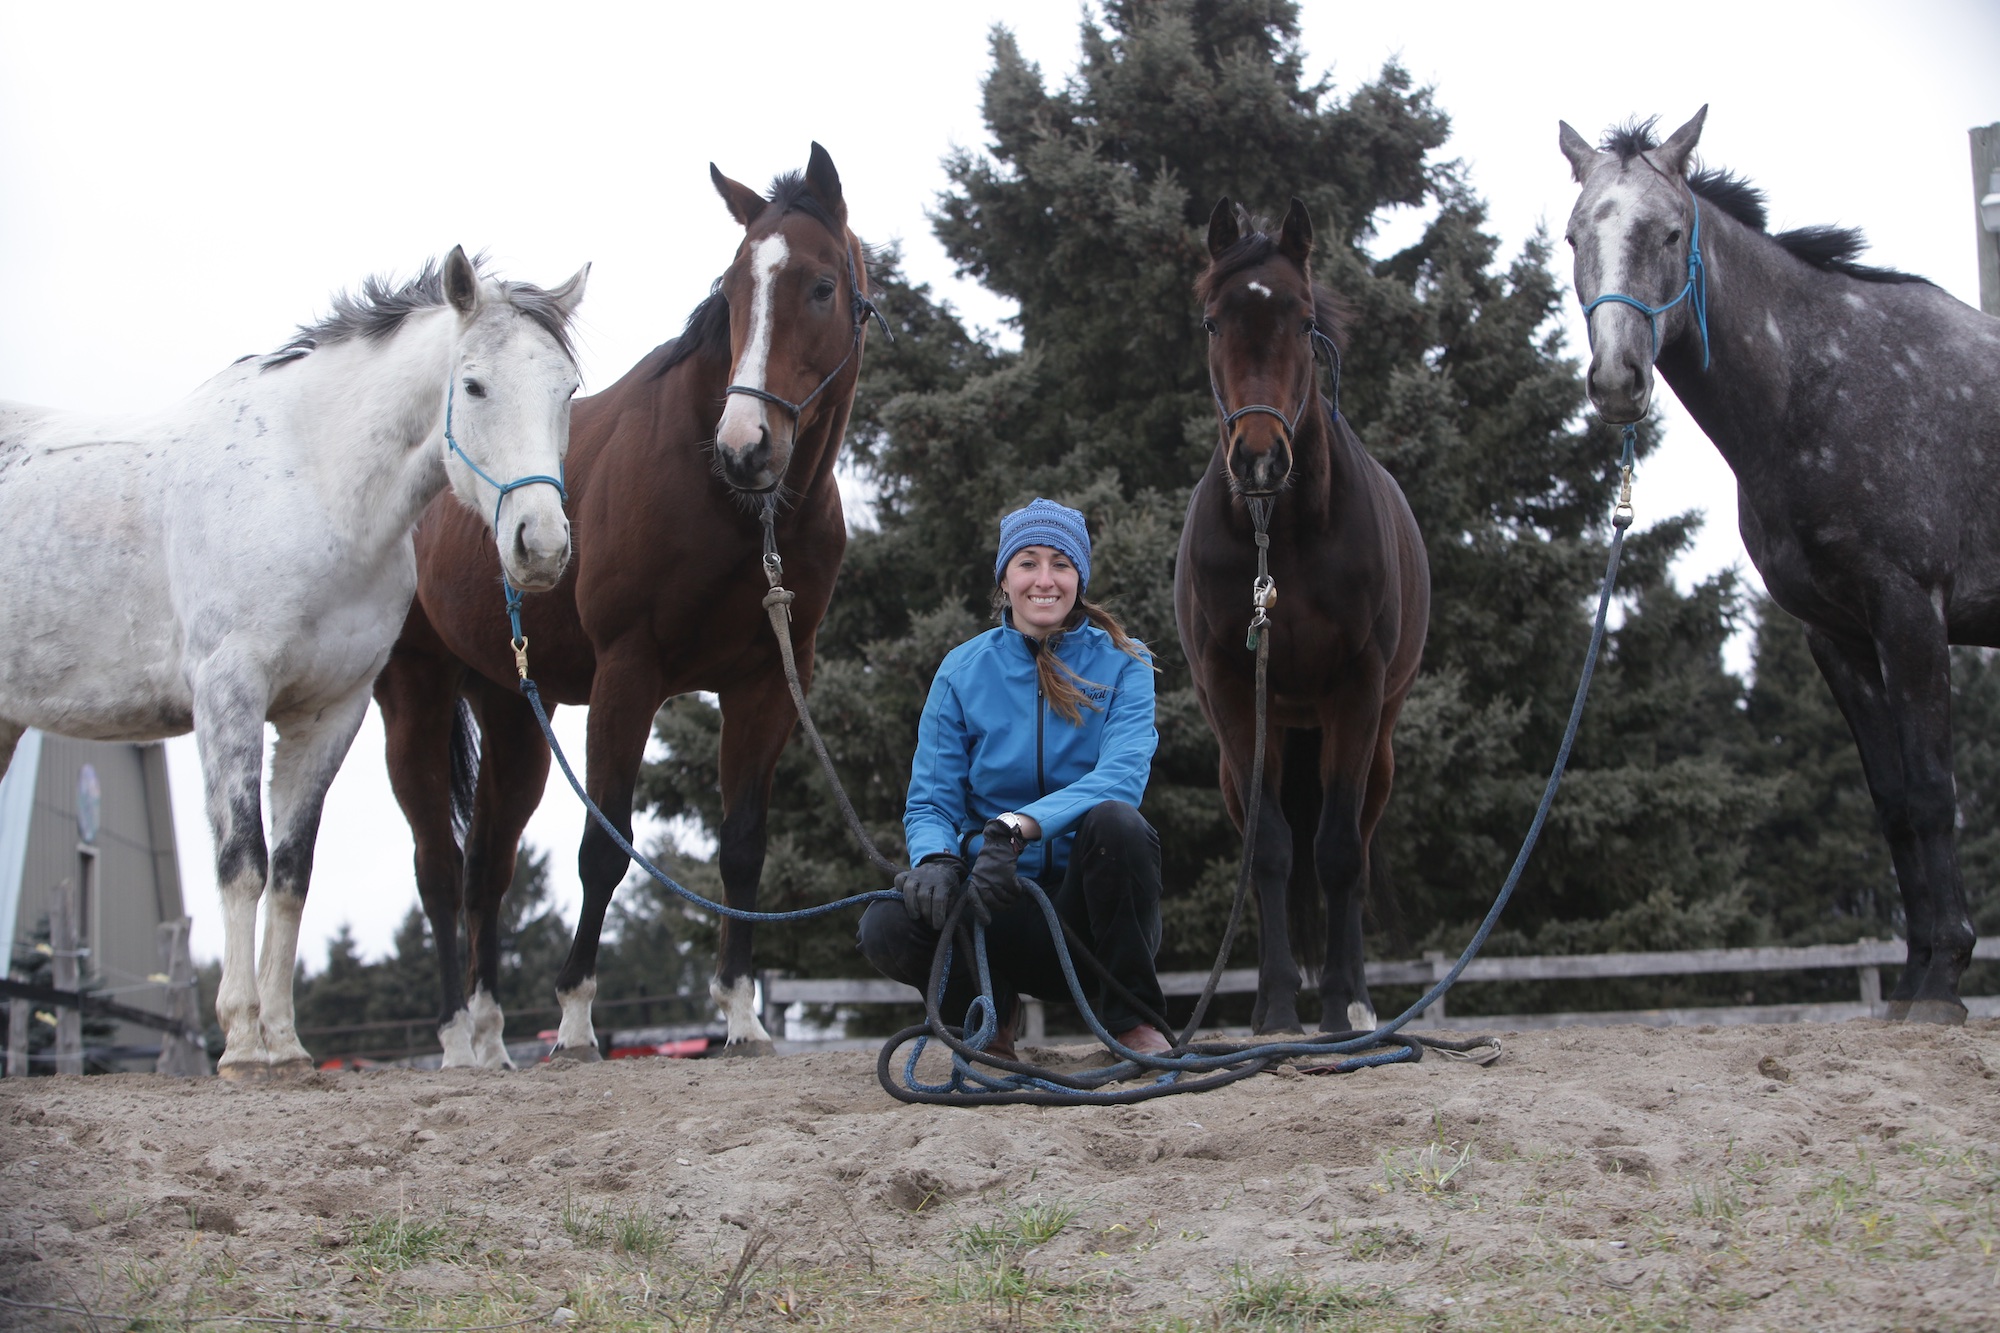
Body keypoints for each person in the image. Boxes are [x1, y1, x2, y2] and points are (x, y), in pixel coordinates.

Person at [857, 497, 1172, 1060]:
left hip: (1092, 921)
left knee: (1119, 824)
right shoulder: (960, 670)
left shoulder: (1128, 662)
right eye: (1028, 562)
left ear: (1080, 577)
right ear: (1005, 577)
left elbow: (1121, 778)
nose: (1044, 580)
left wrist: (1018, 826)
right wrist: (936, 860)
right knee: (887, 921)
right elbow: (931, 800)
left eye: (1061, 563)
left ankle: (1132, 1019)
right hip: (993, 905)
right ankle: (988, 1019)